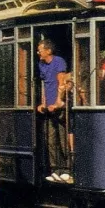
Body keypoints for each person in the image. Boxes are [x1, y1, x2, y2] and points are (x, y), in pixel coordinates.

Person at [35, 39, 72, 184]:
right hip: (49, 106)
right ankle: (55, 170)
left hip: (59, 106)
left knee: (62, 138)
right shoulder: (41, 64)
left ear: (48, 51)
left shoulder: (58, 62)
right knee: (51, 139)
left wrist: (58, 102)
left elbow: (61, 82)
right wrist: (43, 103)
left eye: (40, 50)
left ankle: (67, 170)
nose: (38, 52)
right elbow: (44, 84)